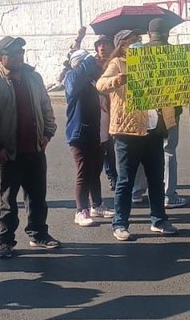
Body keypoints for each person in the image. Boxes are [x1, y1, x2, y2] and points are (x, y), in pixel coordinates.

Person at [0, 36, 60, 258]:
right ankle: (5, 241)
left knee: (37, 197)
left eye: (20, 52)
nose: (18, 57)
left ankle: (38, 234)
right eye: (12, 54)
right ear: (0, 57)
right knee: (7, 201)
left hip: (35, 150)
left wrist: (48, 134)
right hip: (7, 154)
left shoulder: (34, 78)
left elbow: (46, 107)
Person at [97, 30, 179, 241]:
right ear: (123, 45)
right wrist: (118, 80)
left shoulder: (154, 61)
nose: (138, 44)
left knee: (156, 179)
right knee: (125, 181)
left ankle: (159, 220)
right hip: (128, 132)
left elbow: (174, 82)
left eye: (139, 40)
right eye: (133, 41)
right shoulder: (118, 63)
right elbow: (101, 85)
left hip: (153, 130)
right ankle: (120, 224)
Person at [64, 49, 112, 227]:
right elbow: (72, 85)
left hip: (99, 132)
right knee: (83, 172)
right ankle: (80, 210)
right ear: (80, 64)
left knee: (95, 171)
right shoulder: (71, 78)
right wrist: (88, 62)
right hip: (79, 133)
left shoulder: (93, 80)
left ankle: (97, 205)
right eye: (87, 63)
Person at [146, 18, 187, 207]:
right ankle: (169, 195)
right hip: (171, 109)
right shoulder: (177, 54)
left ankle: (137, 192)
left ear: (149, 35)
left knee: (142, 151)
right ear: (167, 34)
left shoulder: (138, 54)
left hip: (145, 110)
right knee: (168, 150)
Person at [93, 35, 119, 190]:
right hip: (102, 111)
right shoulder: (93, 64)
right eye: (99, 45)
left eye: (105, 44)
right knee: (107, 147)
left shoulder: (115, 63)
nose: (102, 47)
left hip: (116, 108)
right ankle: (112, 176)